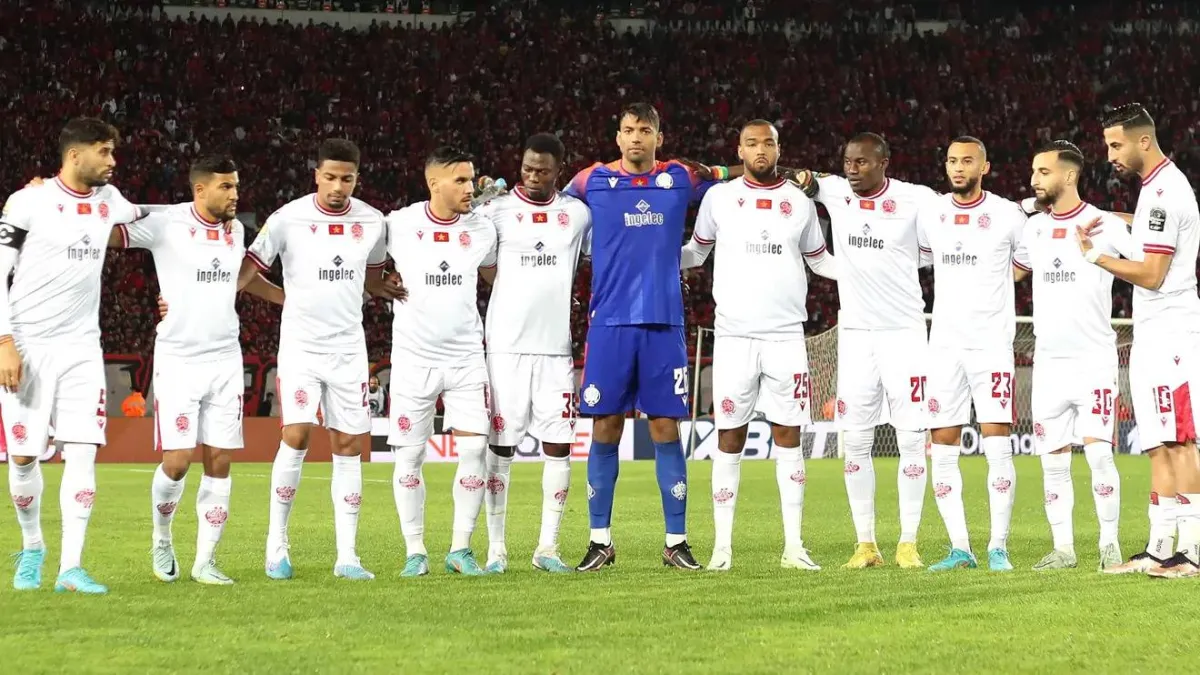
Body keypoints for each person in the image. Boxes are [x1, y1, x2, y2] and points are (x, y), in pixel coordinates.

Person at [565, 102, 730, 572]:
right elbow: (552, 209)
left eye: (644, 130)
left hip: (664, 324)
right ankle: (600, 541)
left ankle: (676, 542)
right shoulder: (591, 181)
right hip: (609, 324)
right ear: (617, 137)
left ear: (659, 136)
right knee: (605, 427)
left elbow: (730, 177)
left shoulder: (680, 177)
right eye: (628, 129)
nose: (636, 137)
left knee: (665, 429)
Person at [679, 120, 838, 571]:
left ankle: (794, 546)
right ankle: (722, 549)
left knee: (789, 437)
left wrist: (869, 271)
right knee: (729, 436)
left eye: (768, 142)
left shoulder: (799, 202)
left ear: (779, 149)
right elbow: (696, 252)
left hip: (787, 336)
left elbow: (820, 262)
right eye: (752, 143)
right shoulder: (719, 198)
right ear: (740, 151)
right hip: (734, 337)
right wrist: (651, 255)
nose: (760, 149)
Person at [121, 155, 284, 585]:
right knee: (177, 462)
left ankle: (206, 560)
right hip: (179, 359)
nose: (235, 194)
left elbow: (238, 279)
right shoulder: (166, 224)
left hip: (225, 358)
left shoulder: (236, 230)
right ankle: (161, 538)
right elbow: (111, 230)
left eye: (236, 186)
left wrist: (289, 299)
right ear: (199, 189)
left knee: (220, 461)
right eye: (226, 187)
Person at [1, 117, 142, 594]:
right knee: (24, 457)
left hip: (82, 347)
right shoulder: (27, 202)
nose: (112, 161)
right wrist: (4, 342)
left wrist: (205, 208)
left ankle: (71, 568)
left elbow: (152, 216)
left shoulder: (110, 199)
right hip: (27, 346)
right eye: (104, 151)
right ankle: (32, 546)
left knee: (82, 451)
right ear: (74, 154)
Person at [247, 139, 390, 581]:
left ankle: (347, 556)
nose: (338, 187)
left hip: (348, 349)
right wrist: (284, 298)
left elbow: (373, 277)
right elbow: (248, 272)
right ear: (316, 175)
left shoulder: (372, 221)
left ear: (357, 179)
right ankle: (276, 546)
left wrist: (392, 287)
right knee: (297, 435)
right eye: (330, 177)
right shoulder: (286, 218)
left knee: (349, 446)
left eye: (347, 179)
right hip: (302, 348)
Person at [793, 133, 937, 569]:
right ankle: (865, 544)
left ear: (884, 163)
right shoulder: (835, 191)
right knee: (855, 439)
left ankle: (908, 542)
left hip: (904, 334)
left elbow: (941, 242)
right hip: (855, 335)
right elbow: (793, 176)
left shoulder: (916, 199)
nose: (852, 169)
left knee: (911, 437)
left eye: (862, 162)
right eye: (848, 162)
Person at [1080, 103, 1200, 578]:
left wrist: (1097, 257)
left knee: (1180, 441)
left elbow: (1152, 274)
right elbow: (1149, 230)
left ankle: (1193, 551)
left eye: (1116, 144)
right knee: (1156, 442)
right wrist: (1111, 219)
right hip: (1152, 332)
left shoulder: (1167, 191)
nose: (1110, 154)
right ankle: (1159, 547)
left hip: (1173, 332)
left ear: (1143, 141)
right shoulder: (1155, 189)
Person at [474, 133, 592, 574]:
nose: (533, 176)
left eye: (543, 170)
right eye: (527, 168)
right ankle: (496, 550)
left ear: (559, 170)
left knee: (559, 445)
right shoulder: (496, 210)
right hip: (505, 349)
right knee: (500, 448)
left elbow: (599, 257)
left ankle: (547, 547)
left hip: (555, 350)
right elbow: (480, 262)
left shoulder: (577, 215)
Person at [382, 146, 499, 577]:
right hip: (413, 359)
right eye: (460, 180)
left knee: (475, 450)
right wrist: (380, 282)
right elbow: (366, 262)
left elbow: (494, 276)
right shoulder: (398, 224)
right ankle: (415, 551)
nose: (469, 188)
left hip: (466, 356)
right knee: (409, 457)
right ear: (434, 183)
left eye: (471, 179)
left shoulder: (483, 229)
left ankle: (460, 549)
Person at [1012, 140, 1127, 571]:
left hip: (1094, 359)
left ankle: (1109, 544)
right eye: (1034, 171)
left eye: (1043, 172)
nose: (1034, 179)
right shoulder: (1034, 229)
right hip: (1048, 364)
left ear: (1070, 175)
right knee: (1053, 461)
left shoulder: (1104, 224)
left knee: (1099, 455)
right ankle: (1063, 549)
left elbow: (1150, 260)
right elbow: (1015, 270)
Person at [916, 137, 1027, 572]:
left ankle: (999, 547)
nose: (958, 168)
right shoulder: (932, 213)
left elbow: (1024, 263)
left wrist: (992, 287)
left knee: (998, 446)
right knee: (942, 448)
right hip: (944, 346)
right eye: (951, 161)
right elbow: (924, 257)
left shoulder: (1008, 214)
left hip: (991, 346)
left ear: (985, 167)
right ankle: (960, 548)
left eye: (967, 161)